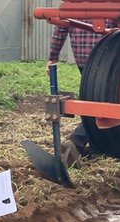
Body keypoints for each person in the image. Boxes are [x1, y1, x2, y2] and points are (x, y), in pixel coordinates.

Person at [48, 19, 112, 166]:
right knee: (106, 102)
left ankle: (97, 147)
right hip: (107, 59)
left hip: (83, 58)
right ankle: (76, 141)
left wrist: (53, 57)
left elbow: (60, 28)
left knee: (92, 99)